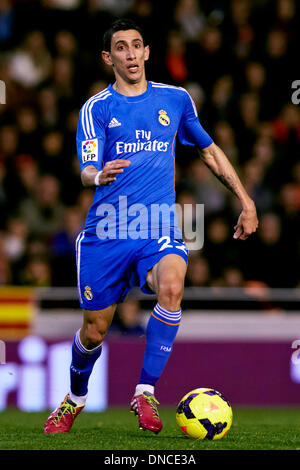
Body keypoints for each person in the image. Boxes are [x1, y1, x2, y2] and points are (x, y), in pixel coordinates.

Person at [44, 18, 258, 435]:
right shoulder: (96, 108)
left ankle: (145, 392)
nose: (130, 54)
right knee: (94, 330)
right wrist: (97, 175)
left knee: (174, 284)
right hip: (106, 232)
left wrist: (246, 200)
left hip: (156, 226)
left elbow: (209, 151)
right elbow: (86, 168)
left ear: (147, 52)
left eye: (136, 45)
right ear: (109, 58)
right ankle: (74, 398)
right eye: (121, 48)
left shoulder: (176, 100)